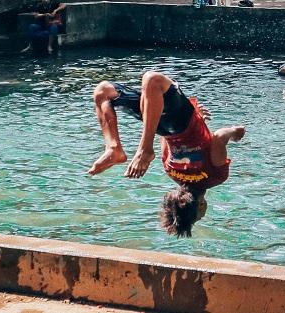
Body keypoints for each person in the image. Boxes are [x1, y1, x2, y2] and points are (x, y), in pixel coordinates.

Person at [87, 72, 245, 237]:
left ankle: (136, 148)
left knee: (152, 80)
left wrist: (235, 132)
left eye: (198, 218)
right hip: (166, 126)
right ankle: (113, 148)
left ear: (200, 206)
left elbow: (219, 137)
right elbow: (166, 137)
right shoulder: (171, 172)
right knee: (103, 92)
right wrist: (198, 119)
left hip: (182, 122)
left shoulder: (216, 176)